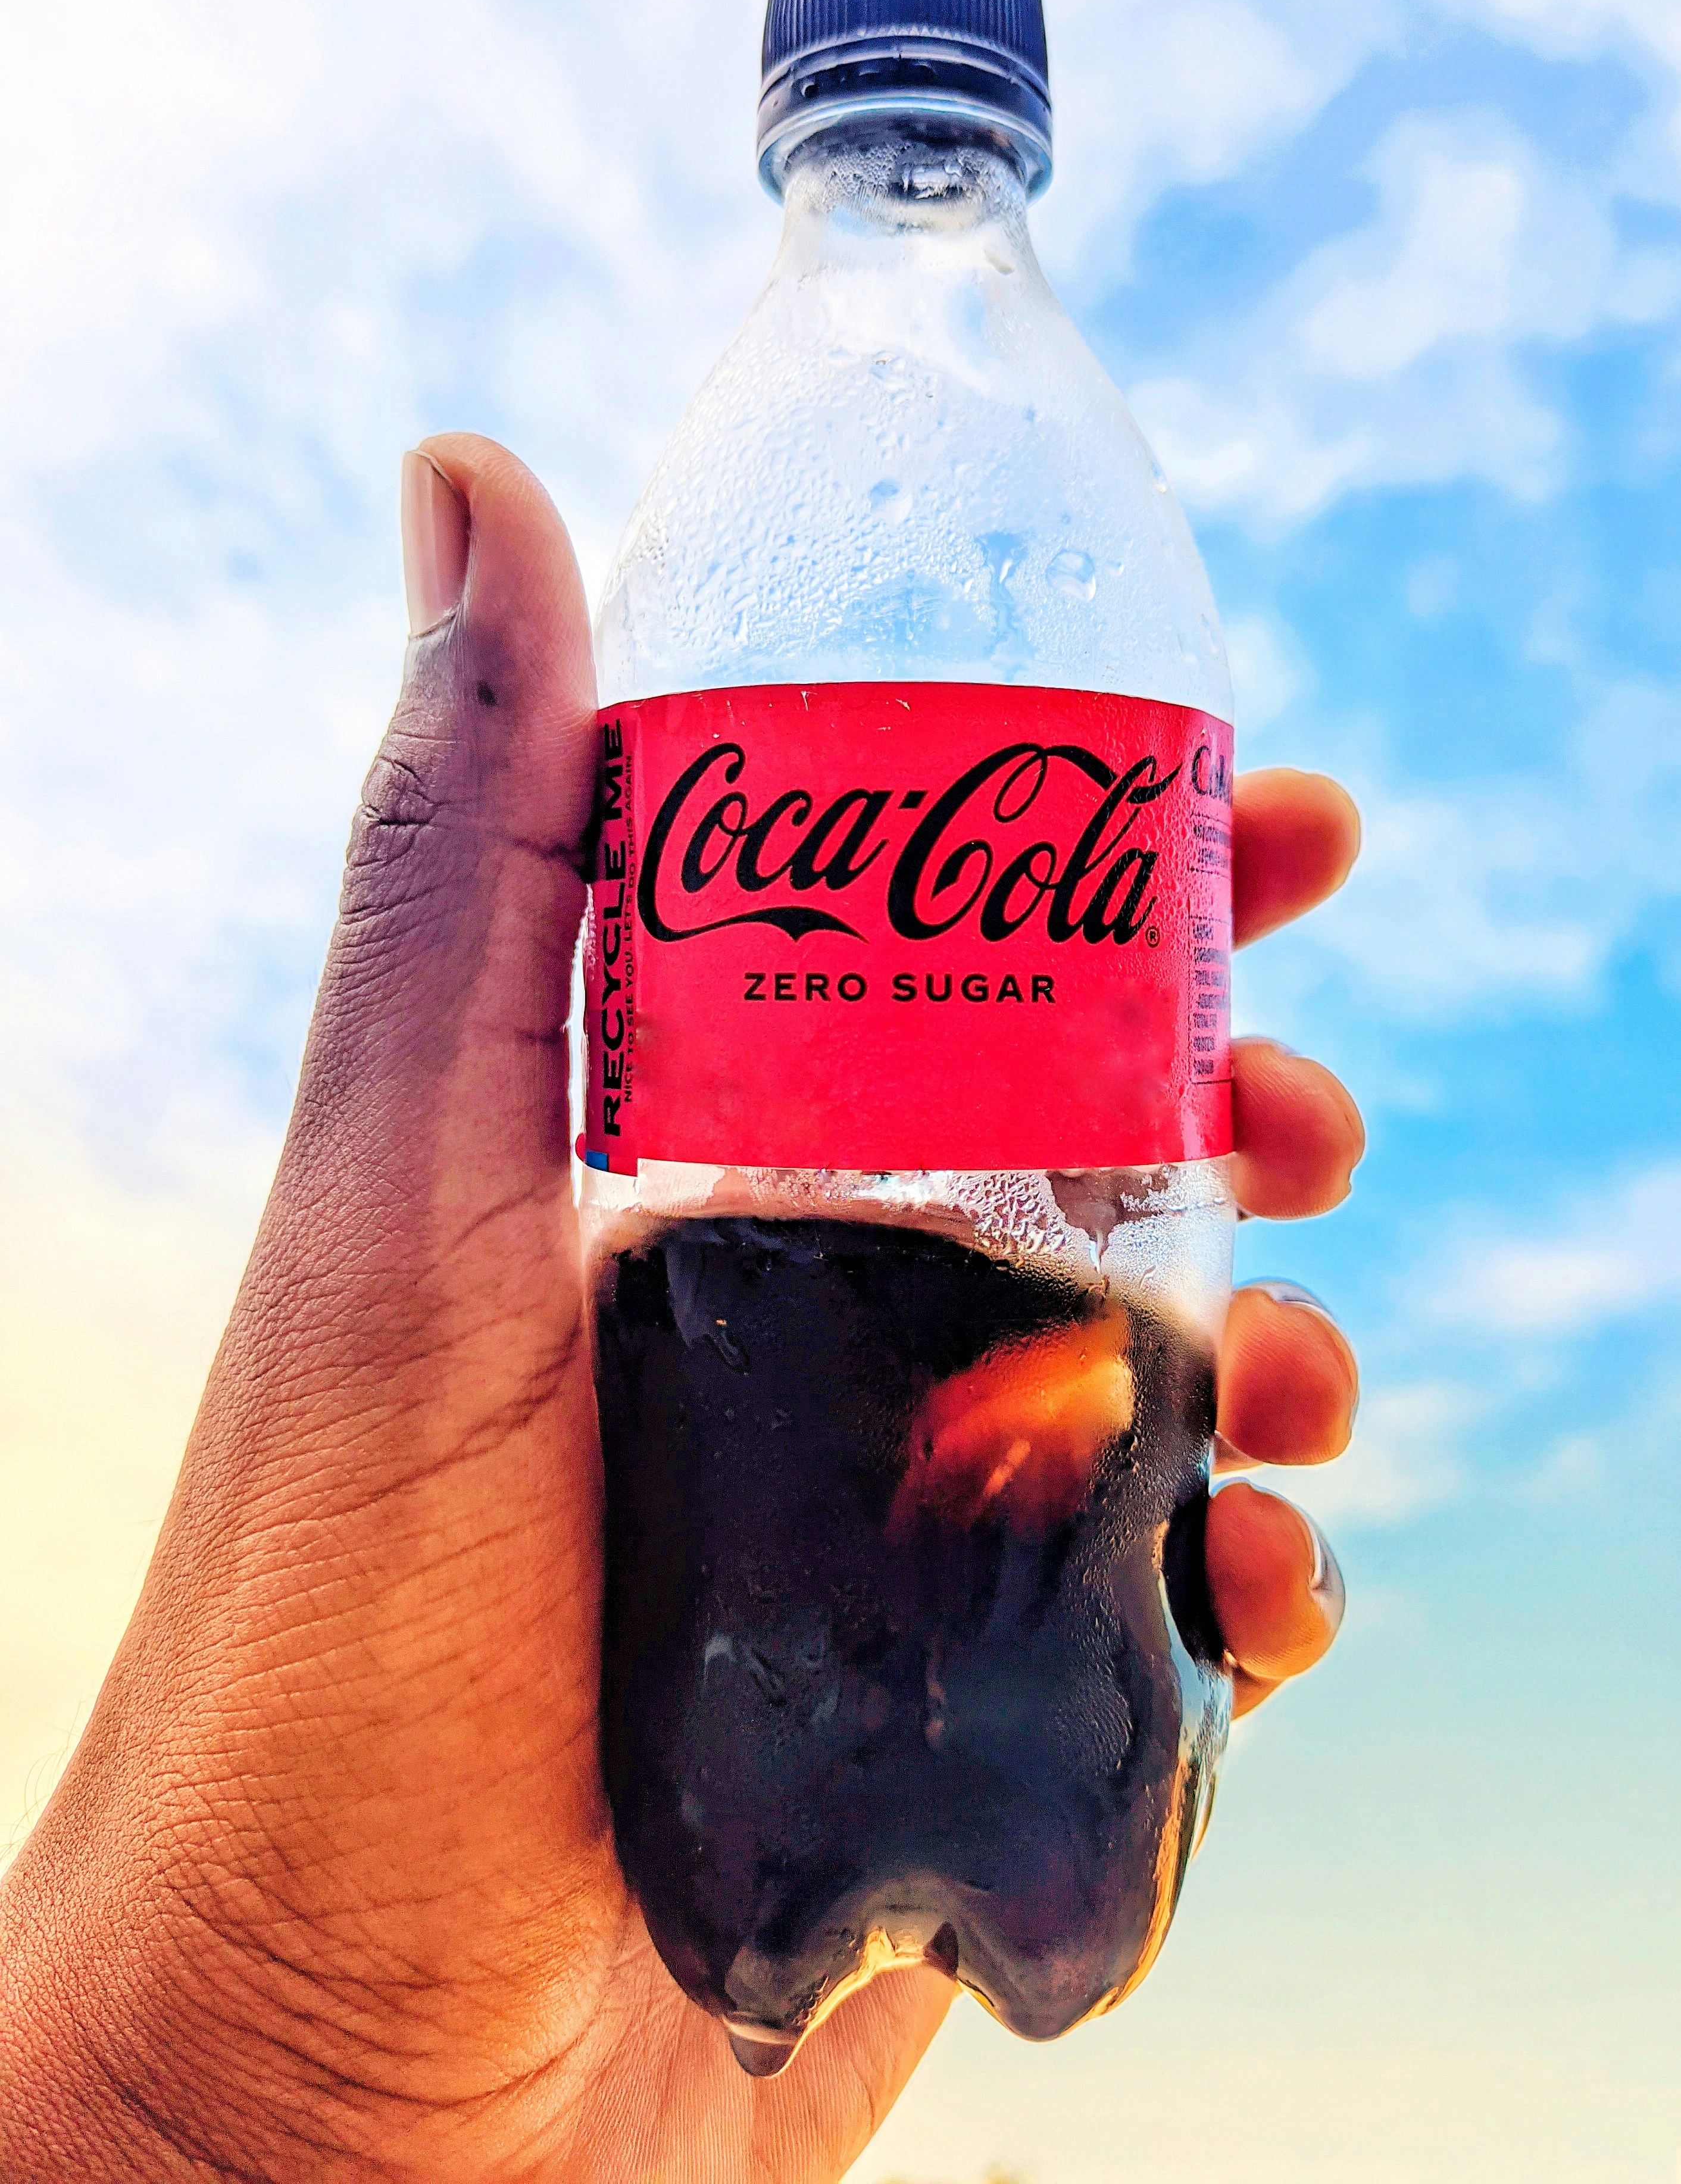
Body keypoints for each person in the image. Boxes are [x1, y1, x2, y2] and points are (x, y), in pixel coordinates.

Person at [0, 438, 1366, 2184]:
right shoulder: (815, 484)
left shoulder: (1036, 493)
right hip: (729, 1778)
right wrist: (187, 2119)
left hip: (980, 1746)